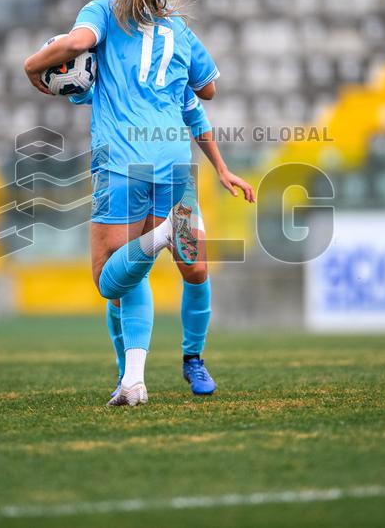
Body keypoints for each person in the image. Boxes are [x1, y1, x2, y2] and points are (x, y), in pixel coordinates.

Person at [23, 0, 220, 407]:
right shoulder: (177, 29)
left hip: (124, 160)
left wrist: (33, 67)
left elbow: (77, 42)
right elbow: (208, 90)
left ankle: (143, 368)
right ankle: (147, 372)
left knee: (112, 278)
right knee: (193, 270)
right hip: (173, 159)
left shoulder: (103, 12)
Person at [72, 85, 255, 396]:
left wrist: (221, 168)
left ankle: (193, 359)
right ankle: (126, 374)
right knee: (126, 275)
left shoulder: (172, 65)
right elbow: (79, 89)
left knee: (195, 267)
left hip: (175, 179)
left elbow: (196, 115)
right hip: (126, 175)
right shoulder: (114, 59)